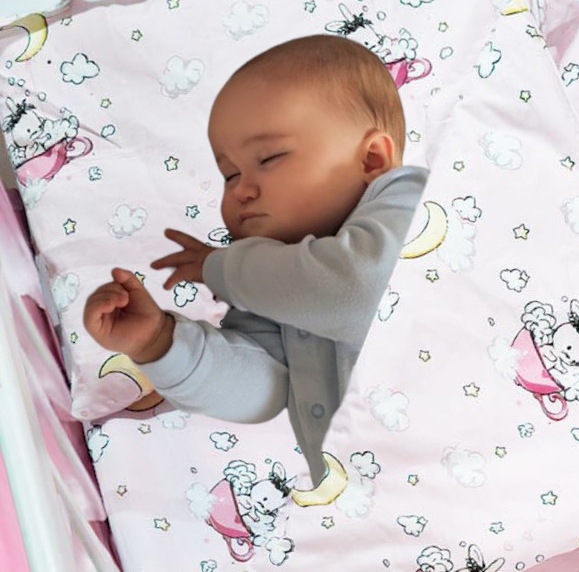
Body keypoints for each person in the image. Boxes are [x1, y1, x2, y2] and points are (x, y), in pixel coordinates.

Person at [82, 35, 429, 483]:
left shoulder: (408, 203)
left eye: (269, 158)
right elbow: (264, 393)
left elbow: (354, 292)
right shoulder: (272, 281)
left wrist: (220, 267)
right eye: (230, 174)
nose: (242, 190)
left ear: (371, 160)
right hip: (373, 496)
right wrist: (160, 345)